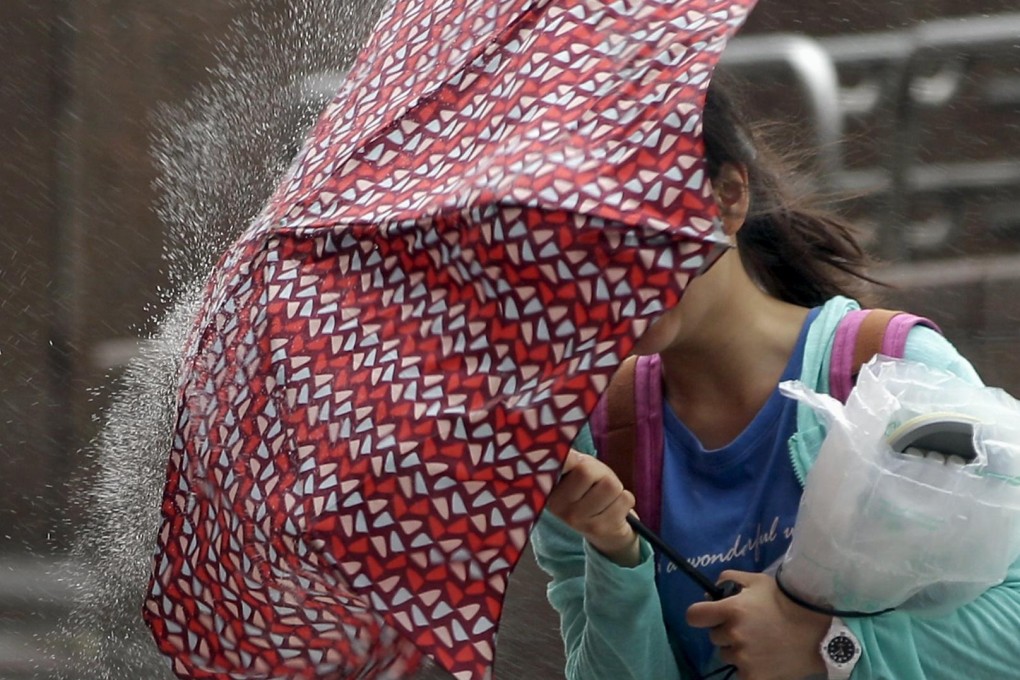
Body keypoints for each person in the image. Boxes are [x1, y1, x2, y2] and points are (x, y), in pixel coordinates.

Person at [530, 79, 1020, 680]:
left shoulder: (889, 373)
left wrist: (829, 646)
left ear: (728, 196)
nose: (602, 274)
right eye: (565, 247)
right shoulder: (596, 446)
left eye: (627, 226)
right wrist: (613, 551)